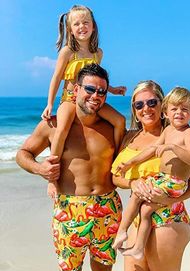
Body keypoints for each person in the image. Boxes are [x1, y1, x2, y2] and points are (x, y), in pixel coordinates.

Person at [16, 64, 123, 271]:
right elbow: (22, 154)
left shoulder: (110, 126)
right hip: (70, 210)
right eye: (90, 89)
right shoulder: (53, 125)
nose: (96, 96)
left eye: (102, 91)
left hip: (108, 206)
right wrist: (40, 168)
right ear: (76, 89)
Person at [111, 81, 190, 271]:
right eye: (139, 105)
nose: (146, 108)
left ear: (163, 106)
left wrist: (170, 200)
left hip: (168, 217)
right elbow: (115, 177)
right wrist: (132, 182)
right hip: (138, 217)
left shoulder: (176, 133)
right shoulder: (128, 137)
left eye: (152, 102)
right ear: (134, 109)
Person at [41, 5, 126, 198]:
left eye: (86, 22)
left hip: (92, 101)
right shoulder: (68, 51)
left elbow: (96, 79)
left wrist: (112, 89)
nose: (82, 27)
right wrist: (50, 104)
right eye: (76, 24)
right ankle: (52, 180)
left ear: (93, 26)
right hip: (70, 99)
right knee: (61, 131)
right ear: (70, 29)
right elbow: (56, 77)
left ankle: (117, 161)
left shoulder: (98, 53)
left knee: (120, 121)